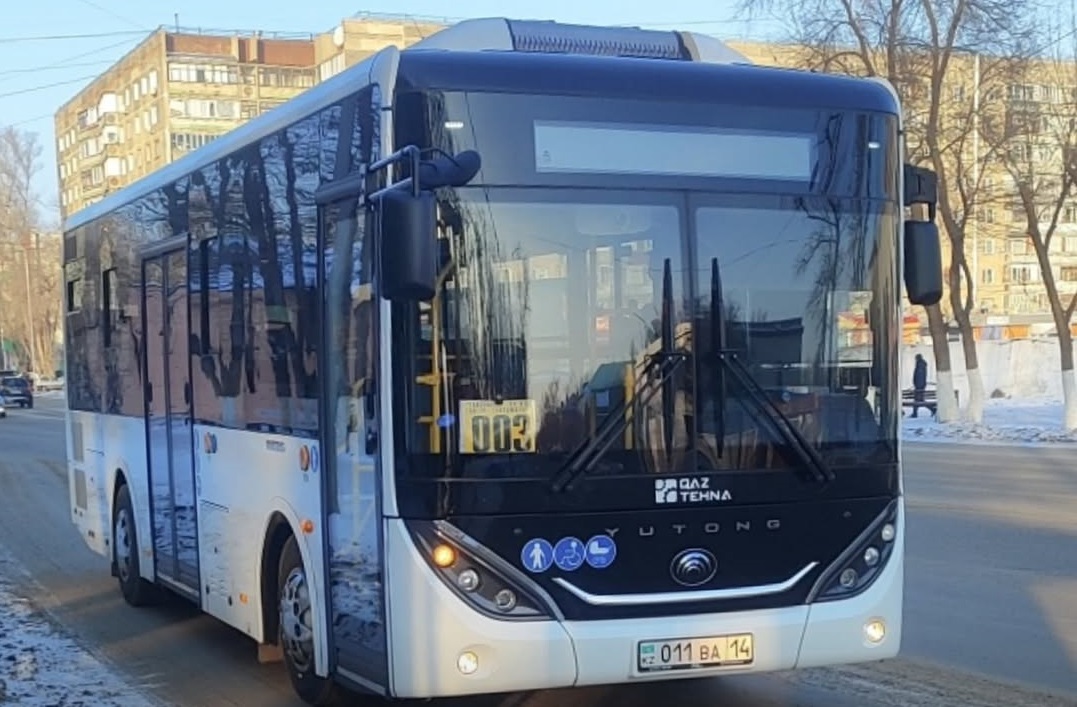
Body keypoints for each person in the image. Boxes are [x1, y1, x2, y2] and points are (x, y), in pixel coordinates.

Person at [911, 353, 928, 418]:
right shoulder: (921, 364)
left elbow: (919, 376)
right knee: (920, 400)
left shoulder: (920, 365)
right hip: (920, 385)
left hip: (919, 385)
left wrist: (917, 384)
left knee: (917, 400)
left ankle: (915, 413)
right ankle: (915, 413)